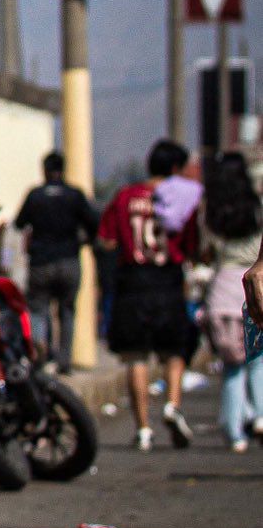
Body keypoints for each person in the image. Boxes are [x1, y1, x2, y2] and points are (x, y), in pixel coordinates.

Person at [97, 138, 199, 450]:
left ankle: (142, 428)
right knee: (175, 349)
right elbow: (191, 245)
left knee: (136, 356)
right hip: (167, 279)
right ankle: (172, 404)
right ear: (174, 169)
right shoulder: (181, 199)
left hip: (132, 281)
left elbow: (107, 241)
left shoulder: (125, 195)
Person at [197, 150, 263, 450]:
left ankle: (234, 432)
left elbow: (205, 252)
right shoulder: (258, 209)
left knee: (232, 366)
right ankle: (261, 414)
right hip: (255, 286)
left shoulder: (211, 215)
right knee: (257, 361)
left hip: (222, 291)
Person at [13, 152, 98, 373]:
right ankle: (64, 361)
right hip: (69, 259)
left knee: (39, 310)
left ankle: (40, 348)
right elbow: (94, 221)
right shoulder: (74, 195)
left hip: (41, 261)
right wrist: (85, 240)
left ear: (44, 170)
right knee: (67, 311)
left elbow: (20, 223)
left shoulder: (35, 195)